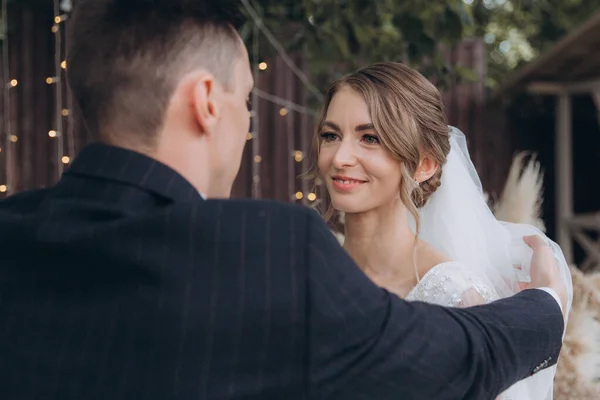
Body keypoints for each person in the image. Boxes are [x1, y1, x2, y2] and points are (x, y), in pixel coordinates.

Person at [0, 1, 567, 399]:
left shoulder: (14, 235)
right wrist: (548, 302)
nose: (341, 155)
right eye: (247, 99)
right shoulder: (271, 255)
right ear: (206, 102)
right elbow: (458, 357)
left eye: (370, 137)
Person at [310, 61, 573, 399]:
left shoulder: (452, 294)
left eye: (370, 138)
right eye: (331, 135)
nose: (340, 157)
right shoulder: (312, 274)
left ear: (425, 164)